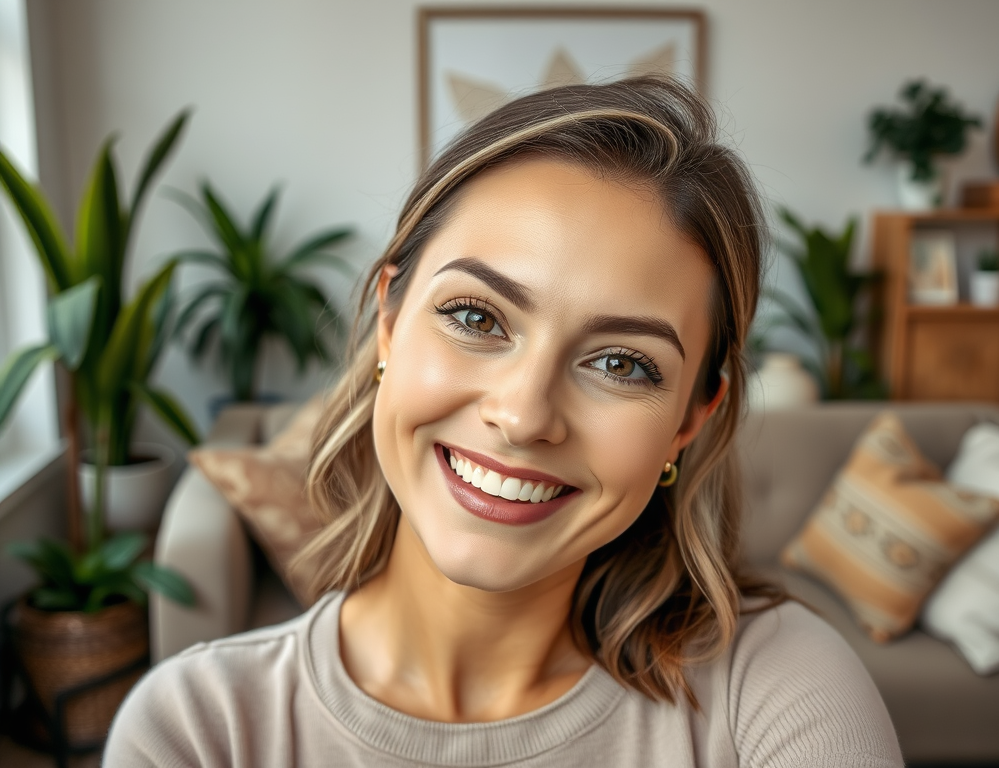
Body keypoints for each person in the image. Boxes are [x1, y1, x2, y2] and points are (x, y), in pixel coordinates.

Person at [105, 77, 903, 767]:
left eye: (622, 363)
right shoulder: (197, 729)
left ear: (691, 420)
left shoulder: (780, 688)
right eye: (476, 317)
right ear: (390, 320)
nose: (523, 416)